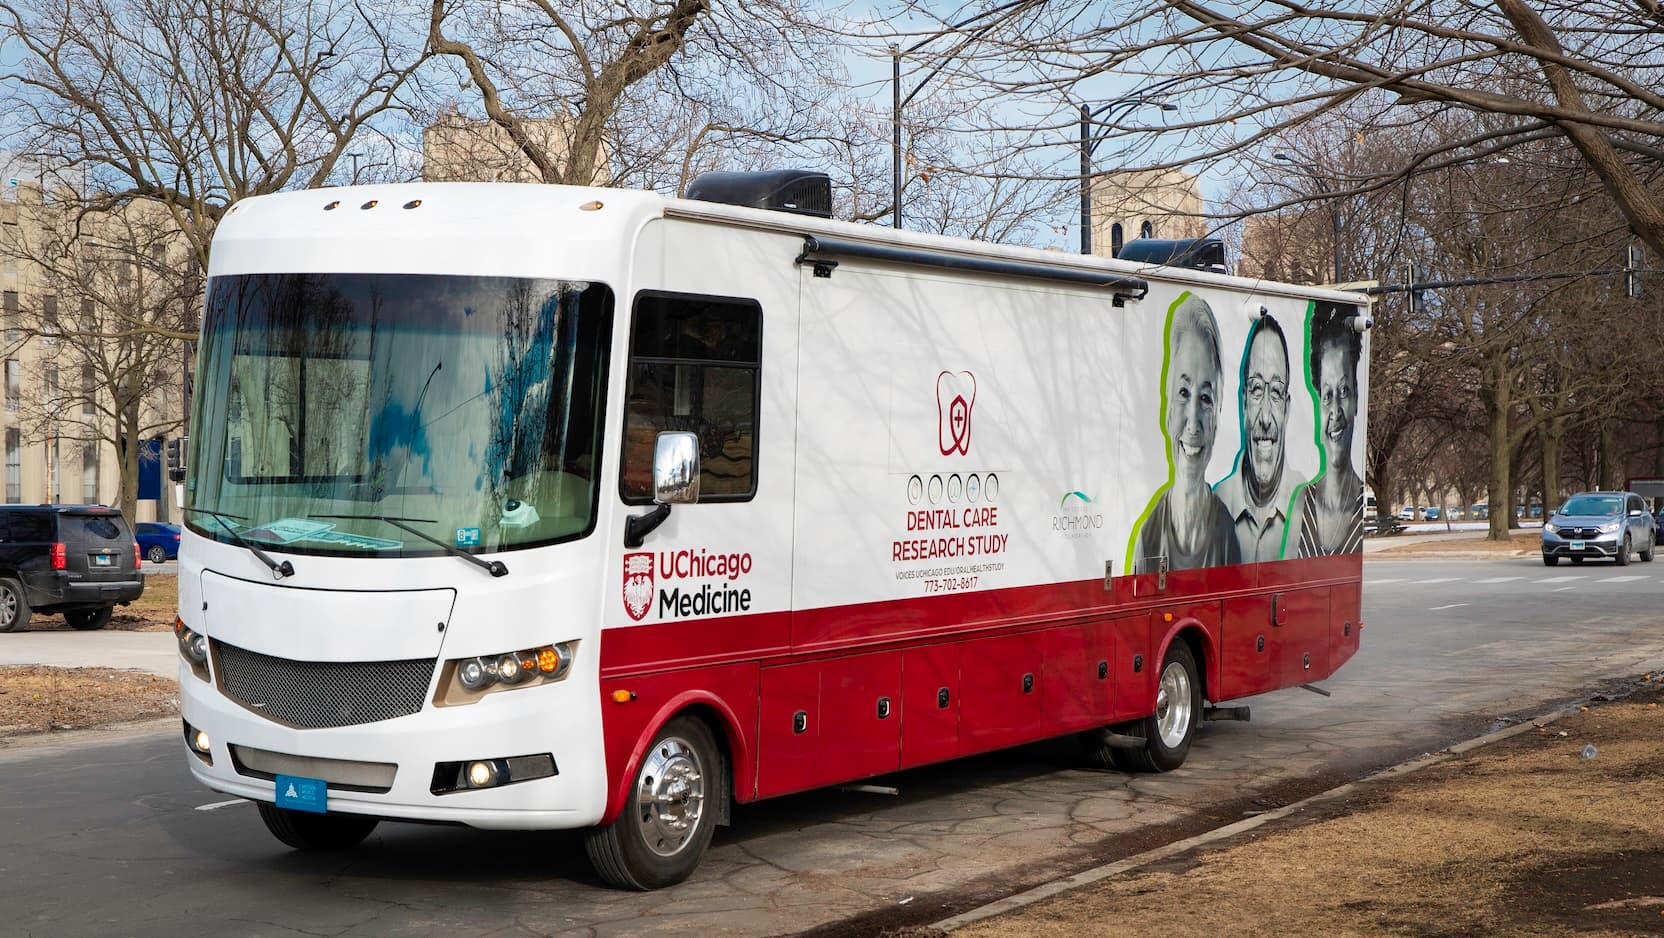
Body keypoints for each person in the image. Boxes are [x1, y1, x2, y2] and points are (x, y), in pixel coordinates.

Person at [1133, 295, 1242, 573]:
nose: (1192, 424)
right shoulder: (1148, 538)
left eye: (1205, 398)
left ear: (1217, 415)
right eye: (1183, 393)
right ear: (1168, 407)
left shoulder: (1226, 533)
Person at [1214, 315, 1306, 562]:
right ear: (1244, 402)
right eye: (1256, 389)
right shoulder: (1217, 506)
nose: (1265, 417)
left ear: (1287, 408)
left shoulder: (1308, 507)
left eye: (1275, 392)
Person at [1293, 304, 1364, 556]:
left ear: (1356, 397)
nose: (1335, 412)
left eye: (1344, 391)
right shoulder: (1300, 503)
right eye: (1327, 395)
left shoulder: (1363, 501)